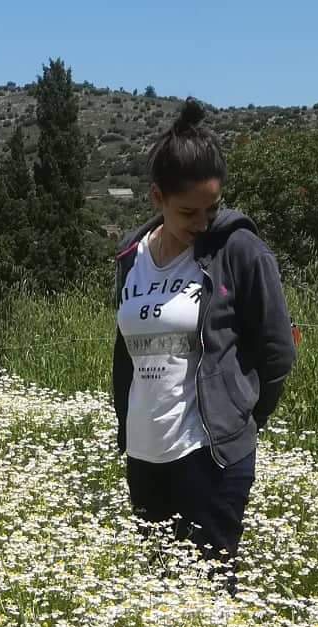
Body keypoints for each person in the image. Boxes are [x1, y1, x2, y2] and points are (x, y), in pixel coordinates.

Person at [112, 98, 296, 595]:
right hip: (146, 455)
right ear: (156, 198)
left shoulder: (238, 250)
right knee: (158, 598)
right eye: (188, 210)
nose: (202, 222)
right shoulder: (132, 260)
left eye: (211, 208)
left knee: (211, 597)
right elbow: (125, 354)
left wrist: (242, 419)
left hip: (211, 455)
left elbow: (277, 350)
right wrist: (125, 427)